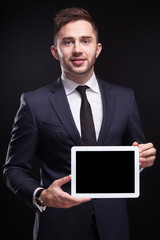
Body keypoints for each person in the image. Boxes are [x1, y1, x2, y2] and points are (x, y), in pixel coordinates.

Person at [3, 7, 156, 240]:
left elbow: (135, 156)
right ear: (55, 51)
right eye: (68, 42)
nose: (77, 49)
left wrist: (143, 161)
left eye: (85, 40)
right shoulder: (34, 103)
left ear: (98, 48)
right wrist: (41, 195)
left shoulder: (125, 97)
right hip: (57, 229)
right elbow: (13, 169)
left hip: (114, 228)